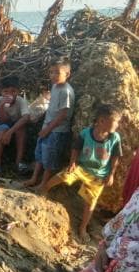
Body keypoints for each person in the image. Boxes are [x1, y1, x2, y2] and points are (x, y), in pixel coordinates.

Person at [41, 104, 122, 242]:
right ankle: (43, 190)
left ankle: (83, 228)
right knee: (63, 176)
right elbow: (76, 148)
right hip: (82, 167)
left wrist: (111, 173)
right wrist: (73, 162)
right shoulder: (86, 133)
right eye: (116, 121)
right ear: (102, 121)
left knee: (91, 202)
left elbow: (115, 157)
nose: (118, 125)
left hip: (99, 175)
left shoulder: (115, 138)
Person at [23, 57, 75, 192]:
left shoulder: (66, 91)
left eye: (57, 72)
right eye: (51, 72)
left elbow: (63, 115)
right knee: (40, 154)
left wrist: (48, 129)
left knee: (49, 159)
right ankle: (34, 178)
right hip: (47, 127)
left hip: (57, 131)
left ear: (67, 74)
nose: (53, 75)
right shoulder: (55, 86)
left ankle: (44, 184)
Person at [0, 76, 30, 175]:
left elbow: (26, 118)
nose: (9, 94)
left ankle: (19, 162)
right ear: (1, 92)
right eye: (6, 92)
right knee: (3, 128)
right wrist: (2, 107)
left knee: (21, 129)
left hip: (15, 125)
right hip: (0, 124)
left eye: (13, 91)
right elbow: (2, 121)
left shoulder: (21, 101)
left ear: (18, 91)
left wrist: (10, 132)